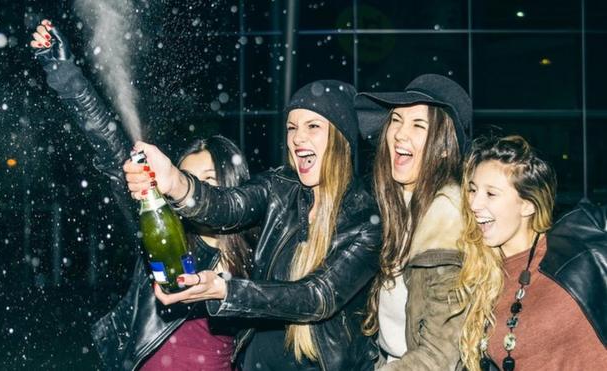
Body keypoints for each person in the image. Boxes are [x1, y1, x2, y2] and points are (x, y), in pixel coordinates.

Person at [30, 21, 254, 370]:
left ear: (233, 186)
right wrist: (65, 74)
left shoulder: (259, 249)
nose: (195, 191)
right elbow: (111, 148)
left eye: (209, 179)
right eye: (187, 180)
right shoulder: (164, 228)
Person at [123, 80, 382, 370]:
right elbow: (227, 205)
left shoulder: (366, 220)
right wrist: (175, 182)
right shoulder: (278, 189)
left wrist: (227, 291)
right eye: (292, 128)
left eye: (312, 126)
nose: (298, 138)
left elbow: (316, 296)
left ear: (341, 139)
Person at [354, 74, 475, 370]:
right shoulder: (393, 208)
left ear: (444, 146)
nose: (398, 133)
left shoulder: (448, 220)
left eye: (418, 124)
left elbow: (439, 355)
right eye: (395, 120)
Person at [459, 135, 607, 371]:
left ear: (528, 205)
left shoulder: (570, 257)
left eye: (491, 194)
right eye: (472, 190)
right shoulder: (483, 271)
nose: (474, 204)